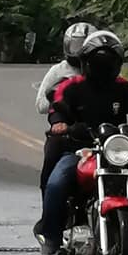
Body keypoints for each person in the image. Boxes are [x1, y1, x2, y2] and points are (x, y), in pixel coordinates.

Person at [38, 30, 128, 255]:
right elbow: (57, 106)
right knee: (55, 183)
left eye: (109, 62)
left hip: (114, 153)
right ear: (85, 62)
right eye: (98, 61)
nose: (103, 67)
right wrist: (59, 123)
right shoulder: (71, 86)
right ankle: (51, 238)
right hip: (78, 150)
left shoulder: (126, 89)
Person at [35, 22, 96, 197]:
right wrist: (60, 101)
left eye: (85, 46)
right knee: (51, 166)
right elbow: (41, 105)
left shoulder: (104, 69)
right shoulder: (59, 71)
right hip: (66, 131)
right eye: (76, 45)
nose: (80, 51)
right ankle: (48, 206)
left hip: (99, 131)